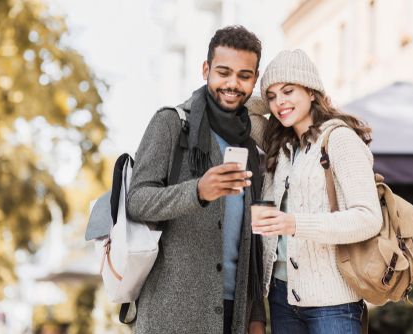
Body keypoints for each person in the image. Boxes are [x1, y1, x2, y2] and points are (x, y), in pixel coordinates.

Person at [127, 26, 266, 334]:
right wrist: (198, 192)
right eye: (223, 72)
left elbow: (250, 241)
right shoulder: (171, 124)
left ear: (255, 80)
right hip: (172, 313)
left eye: (244, 76)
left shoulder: (250, 146)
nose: (233, 83)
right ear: (206, 70)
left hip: (233, 315)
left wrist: (257, 315)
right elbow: (136, 201)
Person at [246, 49, 382, 334]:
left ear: (312, 92)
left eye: (288, 90)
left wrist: (295, 223)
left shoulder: (340, 139)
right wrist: (269, 97)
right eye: (271, 95)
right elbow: (240, 103)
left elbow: (369, 218)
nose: (279, 101)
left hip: (333, 304)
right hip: (282, 298)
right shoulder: (280, 143)